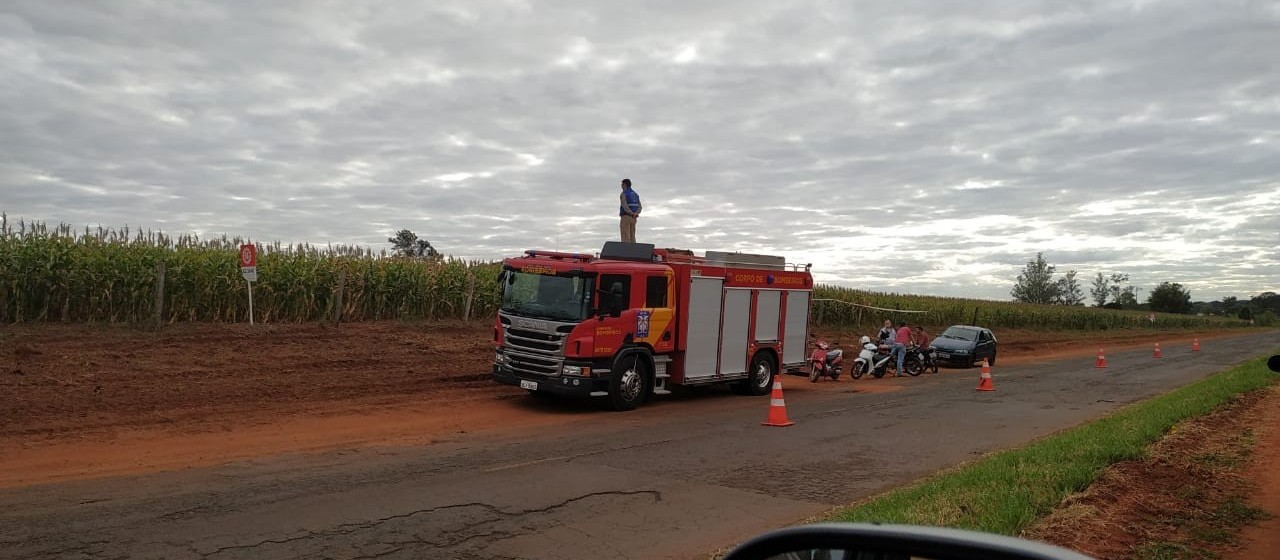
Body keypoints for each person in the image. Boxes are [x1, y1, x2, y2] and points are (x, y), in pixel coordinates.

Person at [618, 178, 642, 242]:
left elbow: (624, 205)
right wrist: (636, 213)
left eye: (622, 185)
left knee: (625, 236)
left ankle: (626, 251)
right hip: (634, 218)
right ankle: (633, 251)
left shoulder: (624, 194)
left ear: (625, 185)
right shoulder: (636, 194)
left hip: (626, 216)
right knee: (632, 236)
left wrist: (631, 213)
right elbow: (640, 206)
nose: (621, 186)